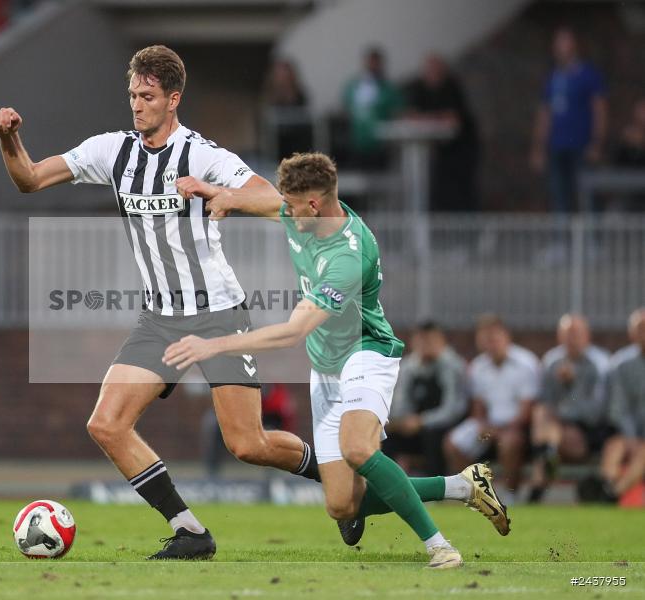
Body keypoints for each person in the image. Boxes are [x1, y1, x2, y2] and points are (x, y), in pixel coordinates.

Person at [0, 45, 324, 560]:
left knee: (248, 444)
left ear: (173, 99)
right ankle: (190, 531)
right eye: (132, 95)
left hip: (218, 315)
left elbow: (277, 202)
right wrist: (10, 139)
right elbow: (30, 178)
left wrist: (222, 193)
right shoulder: (111, 150)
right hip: (159, 320)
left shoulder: (203, 155)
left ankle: (335, 469)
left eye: (147, 97)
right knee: (105, 423)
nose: (136, 105)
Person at [163, 153, 511, 570]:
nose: (285, 211)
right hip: (325, 368)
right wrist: (219, 194)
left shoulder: (347, 256)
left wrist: (213, 346)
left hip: (365, 353)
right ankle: (462, 487)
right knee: (342, 506)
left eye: (291, 204)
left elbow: (293, 331)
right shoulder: (302, 214)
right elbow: (264, 202)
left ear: (313, 204)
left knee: (358, 449)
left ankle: (439, 545)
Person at [443, 314, 539, 504]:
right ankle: (480, 493)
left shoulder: (526, 364)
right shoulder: (478, 367)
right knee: (452, 444)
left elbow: (527, 411)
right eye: (485, 339)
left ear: (506, 337)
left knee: (509, 443)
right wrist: (483, 426)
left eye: (494, 338)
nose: (490, 344)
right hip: (489, 426)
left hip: (516, 428)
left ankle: (511, 495)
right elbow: (478, 406)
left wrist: (500, 430)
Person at [527, 314, 611, 503]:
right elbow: (545, 401)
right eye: (566, 334)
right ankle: (548, 453)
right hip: (554, 429)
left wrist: (572, 386)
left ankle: (538, 485)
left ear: (587, 336)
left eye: (575, 334)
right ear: (559, 337)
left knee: (551, 429)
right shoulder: (552, 361)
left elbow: (595, 413)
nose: (571, 339)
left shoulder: (599, 364)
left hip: (587, 431)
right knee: (540, 413)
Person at [530, 27, 607, 213]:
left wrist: (597, 142)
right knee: (558, 193)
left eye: (564, 42)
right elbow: (544, 114)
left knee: (586, 193)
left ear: (574, 45)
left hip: (581, 145)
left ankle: (591, 238)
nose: (560, 47)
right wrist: (538, 147)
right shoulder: (553, 78)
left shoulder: (589, 75)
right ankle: (560, 238)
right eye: (557, 43)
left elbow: (600, 110)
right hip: (557, 145)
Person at [384, 320, 468, 476]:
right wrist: (401, 421)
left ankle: (436, 485)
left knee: (434, 436)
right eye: (420, 340)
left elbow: (453, 409)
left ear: (441, 341)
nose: (425, 345)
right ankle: (387, 484)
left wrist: (421, 421)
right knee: (384, 435)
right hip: (413, 424)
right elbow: (400, 401)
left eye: (430, 340)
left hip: (443, 425)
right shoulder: (409, 366)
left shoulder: (453, 365)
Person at [404, 53, 480, 211]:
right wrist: (434, 118)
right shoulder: (418, 88)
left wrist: (428, 118)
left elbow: (453, 118)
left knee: (458, 191)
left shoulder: (451, 87)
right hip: (432, 151)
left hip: (459, 150)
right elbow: (411, 116)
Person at [599, 308, 645, 501]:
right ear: (632, 334)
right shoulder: (620, 364)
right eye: (641, 329)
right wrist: (631, 438)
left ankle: (612, 495)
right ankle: (605, 487)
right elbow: (618, 408)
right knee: (614, 446)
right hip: (629, 435)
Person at [340, 46, 401, 170]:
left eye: (375, 62)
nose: (372, 65)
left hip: (381, 144)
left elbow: (398, 112)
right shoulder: (353, 86)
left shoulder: (388, 88)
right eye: (370, 62)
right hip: (357, 142)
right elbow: (346, 109)